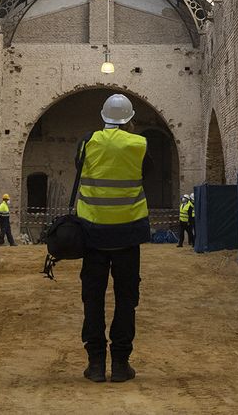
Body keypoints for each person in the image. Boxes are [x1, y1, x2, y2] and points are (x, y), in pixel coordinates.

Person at [75, 93, 149, 384]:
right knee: (126, 300)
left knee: (92, 299)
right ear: (130, 119)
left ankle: (95, 365)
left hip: (92, 233)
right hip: (128, 233)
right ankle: (120, 364)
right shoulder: (140, 144)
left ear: (103, 116)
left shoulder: (87, 142)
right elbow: (148, 172)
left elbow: (78, 170)